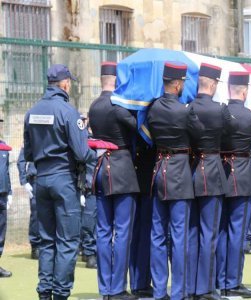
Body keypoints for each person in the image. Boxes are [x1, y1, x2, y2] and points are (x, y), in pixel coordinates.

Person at [23, 64, 94, 300]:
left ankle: (45, 293)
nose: (70, 85)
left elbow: (30, 152)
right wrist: (99, 152)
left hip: (41, 179)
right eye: (70, 82)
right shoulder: (68, 111)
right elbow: (83, 153)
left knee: (46, 240)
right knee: (67, 240)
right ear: (64, 83)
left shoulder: (31, 112)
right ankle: (61, 294)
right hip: (63, 180)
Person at [147, 61, 204, 300]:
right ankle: (179, 291)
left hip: (159, 170)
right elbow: (200, 133)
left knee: (158, 234)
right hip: (180, 171)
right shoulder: (185, 111)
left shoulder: (152, 108)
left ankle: (160, 291)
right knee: (179, 235)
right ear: (179, 84)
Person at [89, 62, 139, 300]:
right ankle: (117, 288)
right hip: (121, 170)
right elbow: (138, 129)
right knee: (122, 232)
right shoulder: (118, 106)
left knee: (102, 231)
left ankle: (105, 288)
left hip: (100, 168)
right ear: (117, 81)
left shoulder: (94, 106)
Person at [217, 71, 251, 298]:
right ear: (244, 91)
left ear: (229, 90)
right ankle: (233, 282)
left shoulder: (221, 114)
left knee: (222, 230)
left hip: (221, 173)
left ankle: (220, 279)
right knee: (238, 231)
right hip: (243, 175)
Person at [188, 63, 233, 300]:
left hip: (192, 170)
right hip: (213, 172)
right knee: (210, 233)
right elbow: (229, 134)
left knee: (193, 232)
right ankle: (206, 288)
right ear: (213, 84)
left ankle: (192, 286)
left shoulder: (189, 107)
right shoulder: (220, 110)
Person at [129, 133, 156, 298]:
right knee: (145, 231)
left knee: (136, 231)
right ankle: (141, 282)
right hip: (147, 175)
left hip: (132, 174)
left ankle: (137, 281)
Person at [79, 116, 97, 269]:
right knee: (89, 221)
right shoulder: (85, 142)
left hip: (103, 185)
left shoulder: (104, 142)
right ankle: (89, 252)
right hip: (89, 187)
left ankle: (93, 251)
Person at [17, 146, 40, 259]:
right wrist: (24, 181)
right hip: (35, 179)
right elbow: (21, 160)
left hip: (51, 178)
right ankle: (35, 246)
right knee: (36, 214)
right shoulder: (32, 135)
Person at [0, 119, 12, 278]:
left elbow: (6, 171)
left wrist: (9, 192)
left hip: (2, 195)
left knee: (1, 231)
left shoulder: (3, 147)